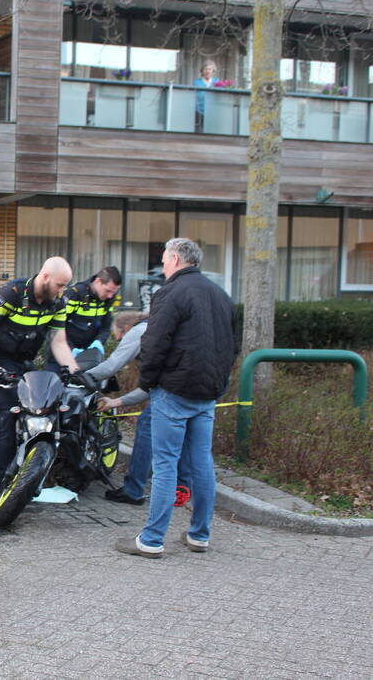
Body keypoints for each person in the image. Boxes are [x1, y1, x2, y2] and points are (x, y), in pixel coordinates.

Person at [115, 238, 238, 559]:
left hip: (174, 389)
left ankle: (152, 540)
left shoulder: (170, 293)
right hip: (208, 391)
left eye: (165, 260)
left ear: (174, 258)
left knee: (166, 464)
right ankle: (200, 535)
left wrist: (150, 383)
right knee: (202, 461)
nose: (163, 266)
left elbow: (155, 343)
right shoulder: (221, 295)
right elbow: (232, 346)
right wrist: (219, 382)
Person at [0, 257, 81, 491]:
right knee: (7, 414)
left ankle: (39, 471)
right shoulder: (11, 293)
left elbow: (59, 340)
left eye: (65, 286)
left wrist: (76, 371)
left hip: (25, 361)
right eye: (60, 285)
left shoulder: (58, 302)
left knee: (43, 408)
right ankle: (6, 483)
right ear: (45, 277)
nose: (63, 291)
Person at [85, 312, 192, 507]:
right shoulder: (163, 329)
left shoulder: (140, 331)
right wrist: (117, 402)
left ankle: (133, 490)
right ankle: (183, 485)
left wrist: (79, 376)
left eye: (119, 337)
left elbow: (111, 366)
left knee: (147, 424)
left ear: (125, 329)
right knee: (185, 432)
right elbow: (152, 388)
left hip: (175, 387)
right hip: (195, 386)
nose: (118, 341)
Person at [48, 266, 122, 373]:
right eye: (108, 291)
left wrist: (99, 342)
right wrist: (70, 348)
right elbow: (57, 326)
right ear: (98, 281)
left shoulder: (108, 299)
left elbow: (106, 326)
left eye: (114, 293)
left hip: (89, 357)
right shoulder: (75, 294)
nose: (110, 296)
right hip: (61, 354)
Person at [194, 60, 221, 132]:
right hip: (199, 111)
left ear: (213, 71)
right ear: (202, 71)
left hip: (213, 111)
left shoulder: (217, 82)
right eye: (205, 69)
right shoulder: (197, 82)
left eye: (210, 69)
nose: (207, 71)